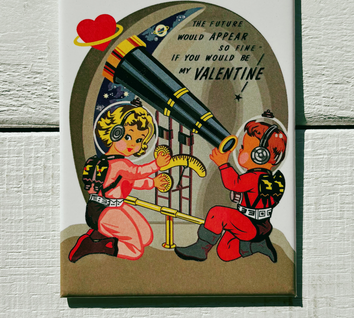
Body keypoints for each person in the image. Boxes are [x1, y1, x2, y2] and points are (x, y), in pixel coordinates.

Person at [175, 112, 286, 263]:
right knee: (225, 252)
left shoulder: (255, 177)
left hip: (251, 225)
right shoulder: (267, 178)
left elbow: (233, 183)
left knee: (217, 213)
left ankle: (201, 248)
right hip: (256, 224)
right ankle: (256, 245)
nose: (240, 150)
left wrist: (223, 164)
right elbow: (256, 197)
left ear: (259, 155)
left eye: (244, 148)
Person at [69, 99, 170, 262]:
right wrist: (156, 164)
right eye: (128, 136)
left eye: (139, 140)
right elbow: (137, 173)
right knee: (136, 250)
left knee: (146, 237)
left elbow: (131, 182)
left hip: (107, 207)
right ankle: (94, 245)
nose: (133, 144)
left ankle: (98, 234)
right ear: (115, 132)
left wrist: (153, 183)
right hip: (104, 211)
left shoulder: (109, 162)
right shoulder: (121, 164)